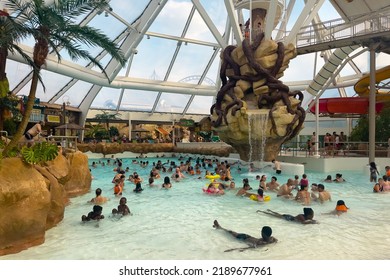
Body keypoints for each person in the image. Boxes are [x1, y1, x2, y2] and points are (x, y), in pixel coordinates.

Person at [213, 220, 277, 251]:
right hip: (247, 237)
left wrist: (233, 249)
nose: (261, 233)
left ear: (263, 233)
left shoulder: (262, 243)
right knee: (231, 232)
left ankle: (220, 227)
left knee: (231, 233)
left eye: (261, 232)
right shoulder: (272, 239)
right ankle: (220, 228)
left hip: (243, 238)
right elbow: (276, 241)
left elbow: (250, 247)